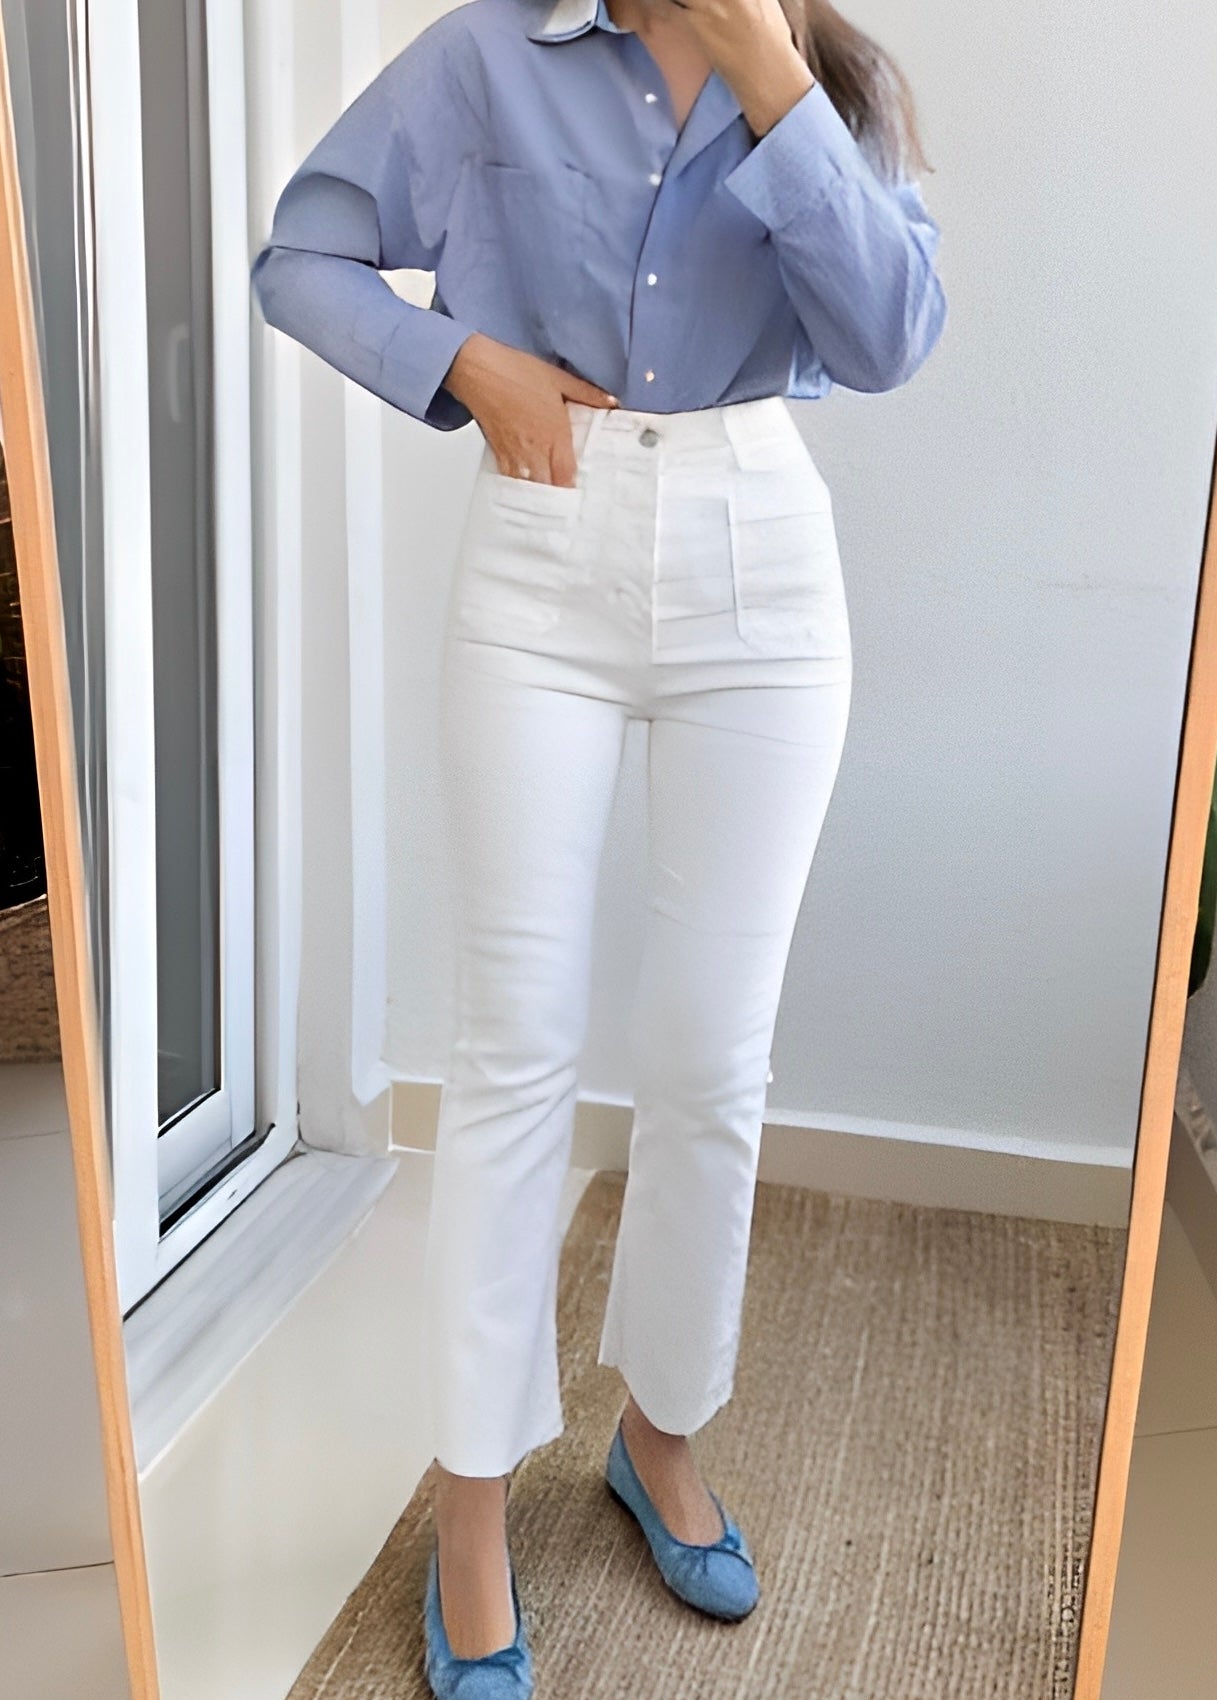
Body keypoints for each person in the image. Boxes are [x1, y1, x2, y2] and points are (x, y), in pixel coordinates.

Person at [251, 0, 946, 1691]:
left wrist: (770, 66)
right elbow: (300, 257)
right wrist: (462, 363)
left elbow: (890, 336)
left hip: (760, 563)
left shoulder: (826, 72)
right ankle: (472, 1506)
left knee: (712, 1057)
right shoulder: (488, 55)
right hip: (541, 550)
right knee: (513, 1049)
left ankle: (661, 1434)